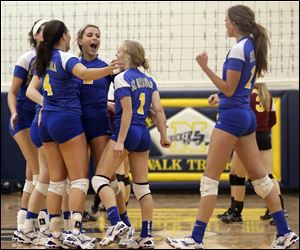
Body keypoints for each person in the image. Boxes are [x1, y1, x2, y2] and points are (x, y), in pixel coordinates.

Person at [166, 5, 299, 249]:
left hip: (232, 118)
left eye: (226, 21)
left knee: (209, 180)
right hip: (243, 114)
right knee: (260, 179)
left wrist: (205, 67)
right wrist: (223, 95)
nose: (224, 24)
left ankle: (195, 239)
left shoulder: (239, 49)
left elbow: (229, 87)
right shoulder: (250, 46)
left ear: (235, 22)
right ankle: (285, 232)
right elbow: (235, 89)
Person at [28, 19, 122, 249]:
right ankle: (75, 233)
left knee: (56, 182)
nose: (70, 37)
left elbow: (36, 89)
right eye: (69, 34)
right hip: (66, 120)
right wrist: (110, 69)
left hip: (47, 121)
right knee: (80, 180)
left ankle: (54, 234)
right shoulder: (66, 57)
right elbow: (84, 74)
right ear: (65, 36)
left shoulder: (44, 58)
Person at [91, 40, 171, 249]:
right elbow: (159, 111)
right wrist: (163, 136)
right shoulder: (149, 80)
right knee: (142, 187)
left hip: (126, 132)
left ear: (127, 55)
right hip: (144, 133)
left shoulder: (121, 78)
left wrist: (119, 141)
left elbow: (126, 112)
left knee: (99, 180)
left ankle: (116, 222)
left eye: (119, 52)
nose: (116, 56)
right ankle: (146, 235)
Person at [76, 24, 133, 246]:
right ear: (80, 40)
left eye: (98, 36)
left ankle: (121, 222)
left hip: (100, 126)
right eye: (90, 35)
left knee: (109, 179)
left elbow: (124, 90)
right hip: (77, 128)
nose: (95, 38)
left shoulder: (107, 67)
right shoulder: (72, 65)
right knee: (78, 180)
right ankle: (76, 226)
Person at [214, 82, 287, 224]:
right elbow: (273, 120)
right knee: (269, 175)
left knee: (236, 175)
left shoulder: (244, 94)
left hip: (247, 136)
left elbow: (239, 116)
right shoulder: (268, 95)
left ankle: (236, 211)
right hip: (264, 136)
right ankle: (278, 210)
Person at [8, 19, 47, 243]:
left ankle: (24, 224)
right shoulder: (27, 58)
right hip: (22, 118)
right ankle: (35, 226)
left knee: (32, 175)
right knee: (40, 174)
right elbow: (13, 92)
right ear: (36, 36)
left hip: (41, 119)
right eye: (43, 30)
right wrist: (13, 112)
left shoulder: (55, 59)